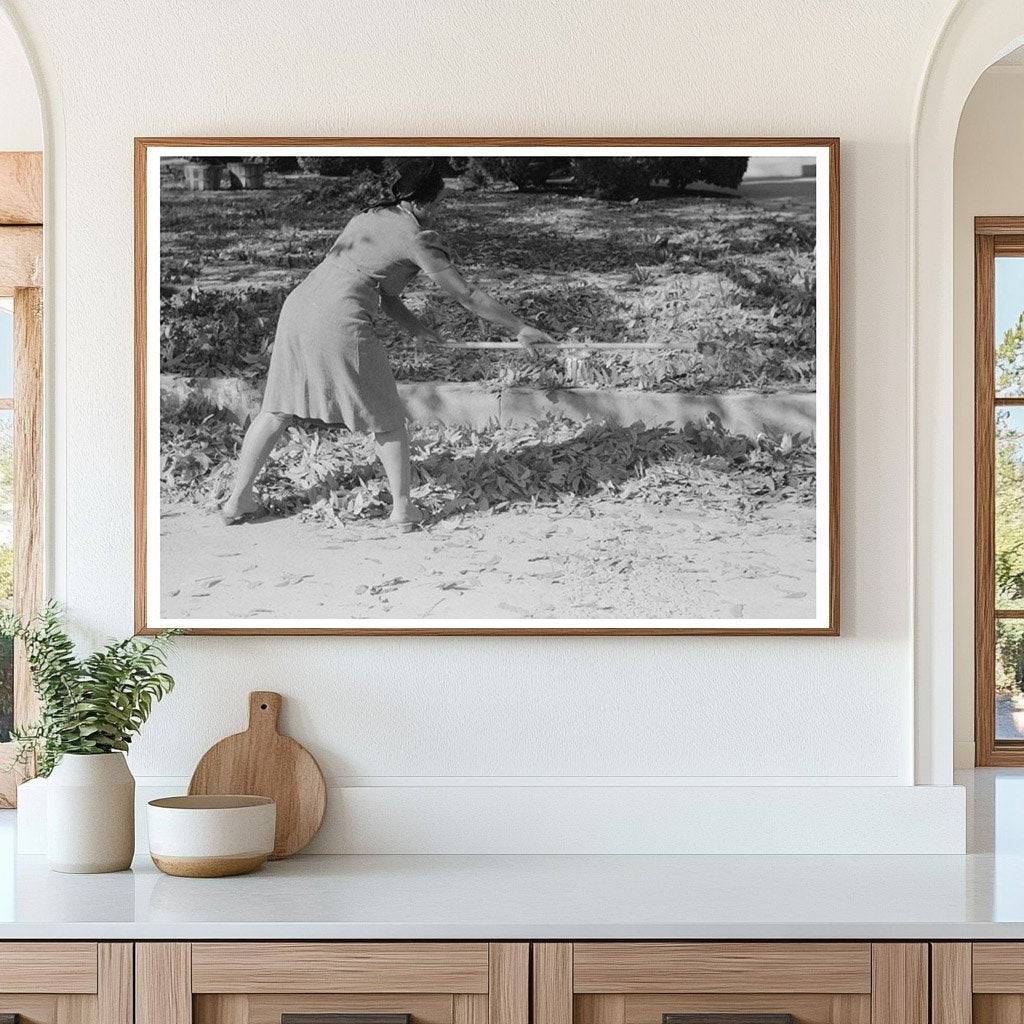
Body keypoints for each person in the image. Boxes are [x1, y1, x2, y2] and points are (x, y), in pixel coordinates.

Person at [220, 158, 555, 530]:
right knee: (388, 420)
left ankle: (238, 500)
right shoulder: (419, 239)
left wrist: (417, 330)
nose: (440, 207)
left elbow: (383, 292)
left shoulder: (367, 218)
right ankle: (403, 510)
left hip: (299, 309)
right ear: (428, 201)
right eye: (440, 199)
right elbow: (469, 296)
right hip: (339, 320)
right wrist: (519, 327)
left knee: (276, 410)